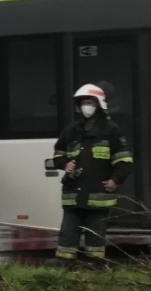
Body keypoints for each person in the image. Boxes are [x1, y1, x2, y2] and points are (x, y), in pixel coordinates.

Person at [52, 84, 133, 266]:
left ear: (99, 104)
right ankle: (63, 269)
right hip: (73, 194)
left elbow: (124, 160)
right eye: (84, 103)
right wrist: (65, 164)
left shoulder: (111, 130)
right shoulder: (71, 130)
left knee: (95, 236)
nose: (86, 106)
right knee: (67, 235)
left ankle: (95, 269)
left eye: (90, 102)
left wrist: (115, 180)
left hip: (99, 195)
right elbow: (58, 153)